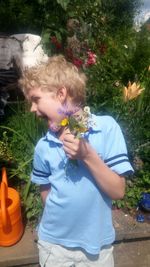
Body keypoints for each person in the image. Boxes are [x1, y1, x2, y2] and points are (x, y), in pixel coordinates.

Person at [19, 55, 133, 267]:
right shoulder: (43, 146)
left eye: (36, 100)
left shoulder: (106, 128)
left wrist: (87, 156)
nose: (32, 109)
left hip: (96, 247)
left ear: (61, 94)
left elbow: (118, 191)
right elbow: (46, 192)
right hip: (54, 245)